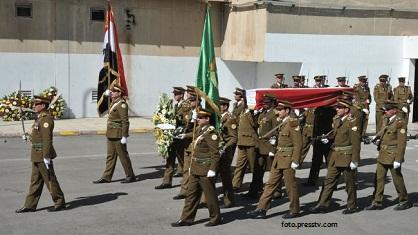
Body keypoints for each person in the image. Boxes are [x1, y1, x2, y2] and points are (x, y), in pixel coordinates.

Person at [247, 100, 302, 219]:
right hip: (278, 158)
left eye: (280, 109)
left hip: (288, 159)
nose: (277, 112)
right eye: (277, 109)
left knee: (290, 186)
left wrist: (295, 160)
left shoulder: (293, 123)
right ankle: (261, 209)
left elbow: (298, 144)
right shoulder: (282, 122)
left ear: (287, 110)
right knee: (270, 184)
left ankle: (295, 209)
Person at [171, 108, 222, 227]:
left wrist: (212, 169)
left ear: (207, 119)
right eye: (198, 117)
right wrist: (185, 135)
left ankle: (216, 218)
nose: (198, 120)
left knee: (210, 196)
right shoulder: (200, 129)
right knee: (191, 195)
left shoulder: (211, 133)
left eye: (200, 118)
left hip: (205, 169)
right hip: (195, 168)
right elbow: (194, 137)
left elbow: (215, 154)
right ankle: (186, 218)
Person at [310, 99, 361, 214]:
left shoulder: (352, 122)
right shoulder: (337, 119)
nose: (336, 109)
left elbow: (356, 142)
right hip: (335, 155)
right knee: (329, 180)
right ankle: (323, 204)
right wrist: (327, 138)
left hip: (347, 156)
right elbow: (335, 134)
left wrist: (355, 160)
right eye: (336, 107)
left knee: (350, 183)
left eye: (339, 107)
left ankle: (352, 205)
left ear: (346, 109)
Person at [16, 95, 66, 213]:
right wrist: (28, 137)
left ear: (43, 106)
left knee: (50, 179)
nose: (34, 106)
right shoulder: (39, 118)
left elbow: (47, 139)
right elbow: (37, 135)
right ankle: (30, 204)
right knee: (35, 181)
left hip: (43, 155)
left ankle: (59, 202)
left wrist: (47, 156)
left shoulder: (46, 119)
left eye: (36, 104)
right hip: (36, 154)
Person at [365, 101, 412, 211]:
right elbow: (384, 133)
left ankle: (404, 200)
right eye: (385, 110)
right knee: (379, 178)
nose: (385, 111)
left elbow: (401, 143)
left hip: (393, 155)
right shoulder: (386, 119)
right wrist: (377, 140)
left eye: (388, 109)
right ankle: (377, 201)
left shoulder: (400, 122)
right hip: (382, 154)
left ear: (395, 110)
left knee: (397, 179)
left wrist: (398, 159)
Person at [93, 84, 136, 184]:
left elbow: (125, 121)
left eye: (114, 91)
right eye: (111, 91)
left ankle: (130, 175)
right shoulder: (114, 102)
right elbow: (104, 103)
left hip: (118, 134)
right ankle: (106, 176)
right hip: (111, 133)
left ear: (119, 93)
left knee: (123, 156)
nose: (112, 92)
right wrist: (105, 95)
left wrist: (125, 136)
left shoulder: (122, 105)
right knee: (110, 156)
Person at [242, 94, 279, 198]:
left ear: (272, 103)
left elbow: (276, 131)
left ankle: (277, 191)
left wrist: (273, 148)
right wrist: (254, 114)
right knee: (258, 170)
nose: (265, 105)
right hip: (260, 145)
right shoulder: (262, 113)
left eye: (267, 103)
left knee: (274, 170)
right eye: (264, 103)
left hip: (269, 146)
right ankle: (254, 190)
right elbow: (256, 125)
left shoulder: (274, 114)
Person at [155, 87, 191, 189]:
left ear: (182, 95)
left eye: (177, 94)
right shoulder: (175, 105)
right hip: (172, 136)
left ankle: (187, 185)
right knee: (169, 159)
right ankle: (167, 181)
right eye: (174, 94)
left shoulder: (185, 105)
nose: (175, 96)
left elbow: (186, 122)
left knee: (183, 161)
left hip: (180, 137)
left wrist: (178, 126)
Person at [172, 91, 200, 200]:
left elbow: (198, 131)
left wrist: (186, 135)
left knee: (196, 172)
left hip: (196, 145)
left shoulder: (201, 113)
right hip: (187, 144)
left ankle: (199, 195)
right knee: (186, 169)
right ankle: (184, 191)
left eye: (192, 100)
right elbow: (185, 125)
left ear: (198, 101)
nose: (190, 102)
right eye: (190, 100)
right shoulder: (190, 112)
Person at [217, 97, 238, 208]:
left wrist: (224, 147)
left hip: (225, 153)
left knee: (226, 178)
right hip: (216, 152)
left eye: (219, 105)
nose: (217, 107)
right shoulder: (217, 117)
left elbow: (234, 138)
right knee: (210, 177)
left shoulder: (230, 118)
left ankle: (229, 201)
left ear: (225, 106)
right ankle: (205, 200)